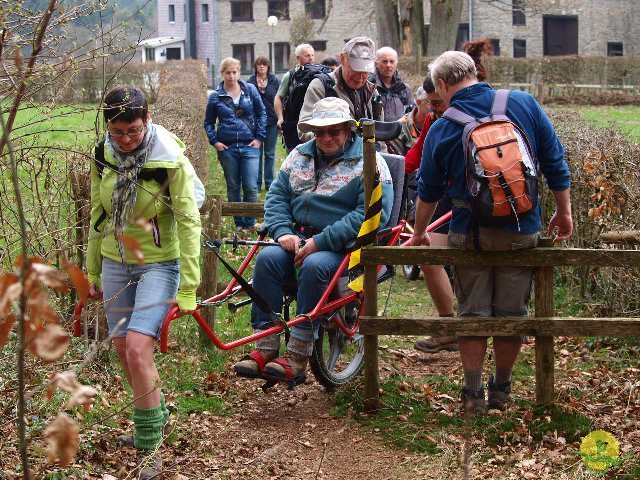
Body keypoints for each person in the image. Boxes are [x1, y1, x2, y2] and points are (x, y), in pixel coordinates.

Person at [409, 51, 573, 414]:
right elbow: (554, 160)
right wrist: (564, 211)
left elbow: (429, 190)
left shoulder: (443, 126)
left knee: (473, 314)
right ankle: (502, 388)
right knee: (512, 313)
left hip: (470, 234)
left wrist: (420, 232)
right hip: (521, 229)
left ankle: (472, 394)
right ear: (475, 73)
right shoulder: (523, 103)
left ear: (442, 85)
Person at [233, 97, 393, 385]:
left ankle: (298, 353)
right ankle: (265, 345)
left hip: (344, 247)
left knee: (315, 265)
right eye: (320, 132)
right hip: (300, 235)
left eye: (334, 131)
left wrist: (320, 242)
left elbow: (371, 214)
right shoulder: (298, 155)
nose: (327, 138)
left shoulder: (370, 161)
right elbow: (277, 197)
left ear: (348, 130)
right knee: (268, 259)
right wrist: (283, 232)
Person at [87, 86, 202, 479]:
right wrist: (90, 271)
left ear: (147, 120)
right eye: (117, 132)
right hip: (115, 260)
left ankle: (149, 451)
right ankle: (154, 413)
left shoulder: (168, 157)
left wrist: (189, 285)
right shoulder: (103, 153)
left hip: (158, 263)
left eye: (133, 131)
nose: (125, 140)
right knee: (124, 351)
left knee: (138, 350)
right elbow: (96, 215)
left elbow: (188, 221)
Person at [402, 77, 457, 354]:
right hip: (441, 197)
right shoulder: (435, 121)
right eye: (430, 103)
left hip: (468, 198)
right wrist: (386, 173)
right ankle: (449, 324)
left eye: (437, 102)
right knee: (427, 255)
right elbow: (416, 155)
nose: (433, 109)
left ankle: (505, 326)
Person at [204, 57, 266, 230]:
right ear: (222, 73)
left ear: (239, 72)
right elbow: (208, 122)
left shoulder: (250, 90)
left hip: (250, 146)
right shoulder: (216, 96)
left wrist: (259, 137)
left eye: (234, 72)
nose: (231, 76)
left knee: (251, 186)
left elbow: (262, 113)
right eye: (227, 72)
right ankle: (239, 223)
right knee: (233, 186)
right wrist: (215, 142)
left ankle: (251, 223)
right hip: (227, 147)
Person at [298, 36, 382, 142]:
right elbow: (303, 131)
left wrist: (380, 156)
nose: (360, 77)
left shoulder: (372, 91)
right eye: (355, 70)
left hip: (367, 156)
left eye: (365, 71)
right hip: (330, 157)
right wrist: (331, 137)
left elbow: (379, 135)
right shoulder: (320, 87)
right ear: (343, 59)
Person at [248, 56, 280, 191]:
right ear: (255, 67)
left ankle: (269, 183)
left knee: (270, 154)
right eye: (259, 65)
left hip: (272, 122)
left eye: (264, 65)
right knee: (257, 153)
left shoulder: (274, 81)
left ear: (268, 67)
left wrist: (280, 117)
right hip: (255, 123)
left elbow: (280, 99)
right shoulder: (250, 82)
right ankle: (256, 183)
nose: (261, 67)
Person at [274, 43, 315, 131]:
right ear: (298, 58)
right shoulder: (290, 76)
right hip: (293, 121)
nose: (311, 58)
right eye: (307, 55)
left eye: (312, 55)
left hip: (313, 120)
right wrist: (280, 118)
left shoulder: (318, 75)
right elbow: (278, 97)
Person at [370, 46, 414, 122]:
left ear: (396, 63)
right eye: (384, 61)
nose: (388, 65)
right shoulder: (370, 87)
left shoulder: (404, 89)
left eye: (392, 61)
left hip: (401, 132)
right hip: (376, 132)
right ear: (376, 64)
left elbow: (410, 115)